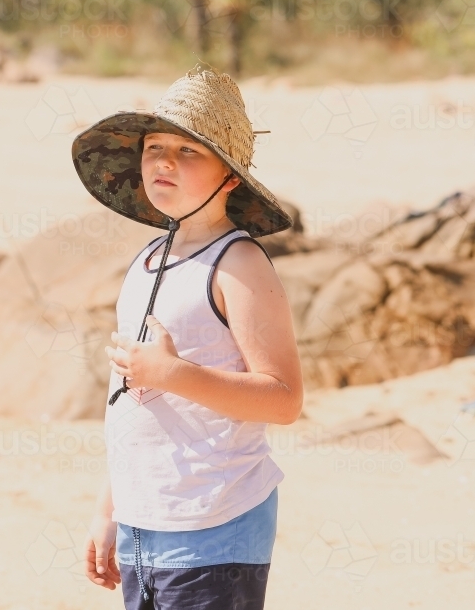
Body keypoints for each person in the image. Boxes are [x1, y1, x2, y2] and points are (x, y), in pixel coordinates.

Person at [71, 64, 304, 609]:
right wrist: (109, 511)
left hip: (213, 526)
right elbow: (129, 398)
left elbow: (284, 399)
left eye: (189, 150)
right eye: (154, 148)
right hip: (145, 520)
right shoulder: (149, 260)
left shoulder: (239, 263)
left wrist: (176, 375)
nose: (164, 162)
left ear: (229, 176)